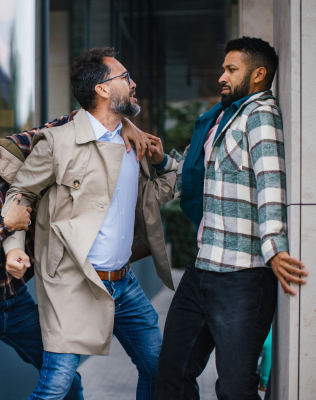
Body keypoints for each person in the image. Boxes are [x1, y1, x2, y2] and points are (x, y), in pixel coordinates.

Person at [0, 92, 149, 400]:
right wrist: (5, 225)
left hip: (17, 301)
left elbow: (65, 123)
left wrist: (124, 124)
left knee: (66, 380)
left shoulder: (10, 150)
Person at [0, 47, 177, 400]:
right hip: (72, 281)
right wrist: (15, 248)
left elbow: (155, 196)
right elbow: (20, 193)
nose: (133, 82)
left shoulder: (134, 143)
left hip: (123, 282)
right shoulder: (58, 142)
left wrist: (162, 164)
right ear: (102, 89)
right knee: (57, 381)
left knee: (159, 368)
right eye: (125, 77)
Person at [148, 36, 308, 399]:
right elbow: (196, 176)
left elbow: (271, 183)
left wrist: (275, 248)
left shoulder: (260, 116)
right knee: (172, 375)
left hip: (243, 278)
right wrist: (162, 161)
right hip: (203, 268)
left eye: (231, 69)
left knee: (236, 389)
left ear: (258, 74)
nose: (222, 75)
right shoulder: (222, 118)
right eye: (224, 68)